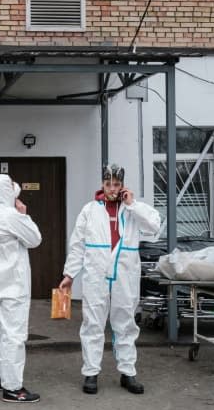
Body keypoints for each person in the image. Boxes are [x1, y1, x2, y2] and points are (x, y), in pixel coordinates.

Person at [59, 164, 161, 395]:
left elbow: (155, 227)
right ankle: (91, 373)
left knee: (125, 322)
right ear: (102, 184)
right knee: (93, 322)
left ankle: (128, 372)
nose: (112, 188)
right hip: (96, 274)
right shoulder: (90, 210)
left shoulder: (132, 210)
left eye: (116, 184)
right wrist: (69, 274)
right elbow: (77, 245)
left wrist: (132, 204)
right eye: (108, 184)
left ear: (122, 185)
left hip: (125, 275)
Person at [0, 174, 43, 403]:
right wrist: (24, 215)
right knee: (13, 333)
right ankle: (13, 387)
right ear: (8, 192)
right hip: (13, 284)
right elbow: (35, 239)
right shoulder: (12, 216)